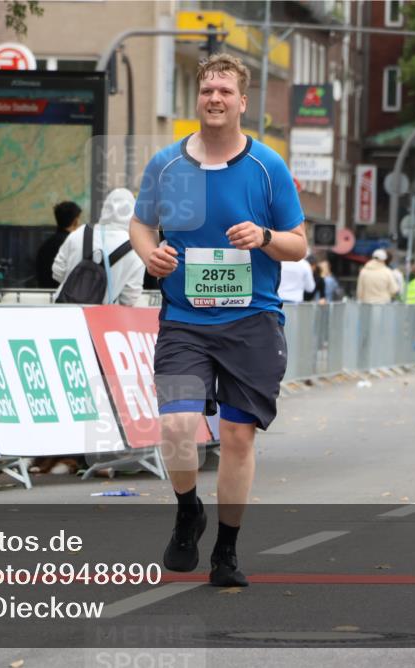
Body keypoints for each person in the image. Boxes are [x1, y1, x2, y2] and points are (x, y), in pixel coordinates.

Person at [129, 54, 306, 587]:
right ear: (197, 99)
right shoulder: (166, 164)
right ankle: (189, 510)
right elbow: (141, 226)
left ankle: (226, 551)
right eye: (207, 89)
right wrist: (148, 255)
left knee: (236, 436)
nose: (214, 98)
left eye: (225, 91)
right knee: (179, 426)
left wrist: (265, 238)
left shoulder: (267, 168)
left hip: (252, 321)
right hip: (184, 320)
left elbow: (299, 245)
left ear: (241, 102)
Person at [52, 188, 145, 305]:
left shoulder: (80, 232)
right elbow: (129, 298)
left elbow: (57, 272)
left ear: (105, 208)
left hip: (65, 310)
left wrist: (79, 286)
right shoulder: (136, 249)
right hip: (101, 317)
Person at [37, 201, 82, 288]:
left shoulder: (45, 245)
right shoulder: (74, 244)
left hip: (44, 295)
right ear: (75, 221)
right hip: (64, 297)